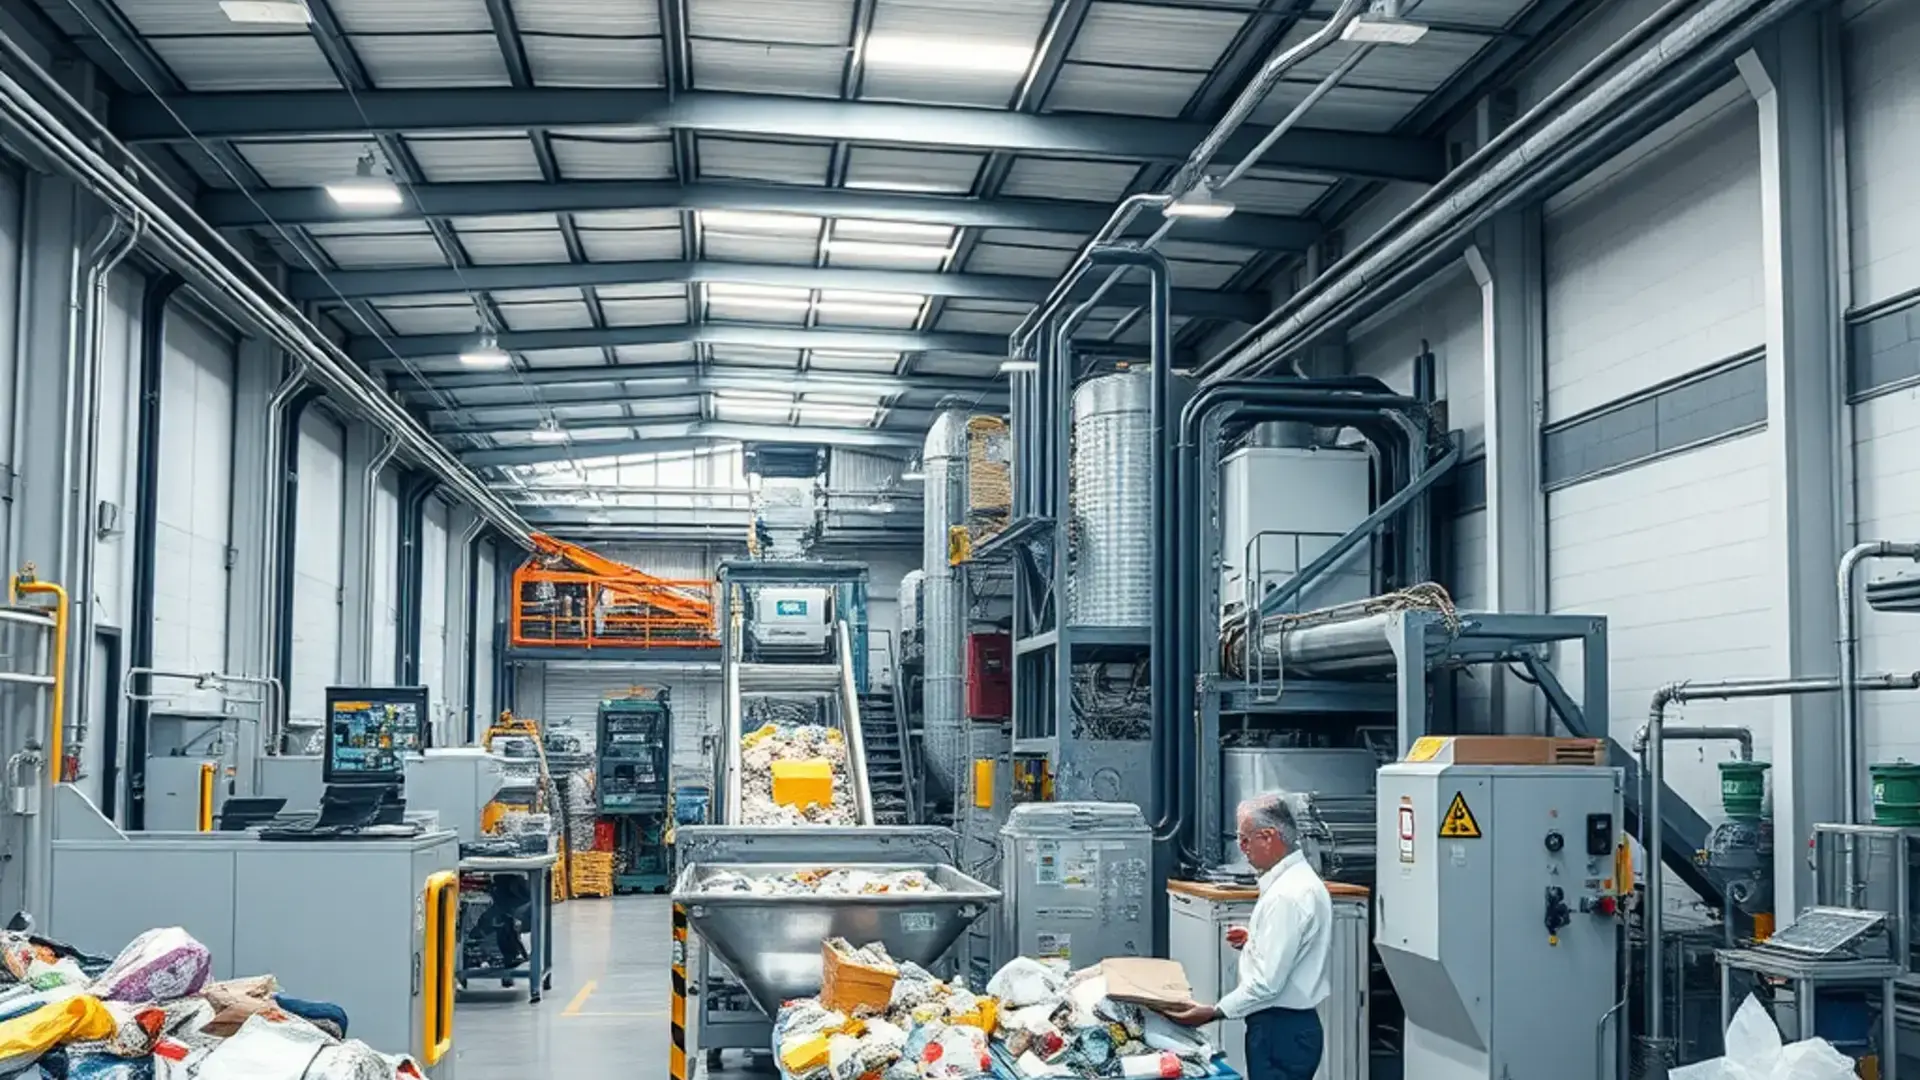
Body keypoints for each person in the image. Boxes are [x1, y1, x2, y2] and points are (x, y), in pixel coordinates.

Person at [1161, 793, 1332, 1080]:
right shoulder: (1298, 883)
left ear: (1268, 837)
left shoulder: (1287, 896)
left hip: (1280, 1030)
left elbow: (1267, 985)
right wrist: (1255, 942)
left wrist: (1213, 1012)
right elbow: (1294, 950)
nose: (1242, 848)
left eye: (1244, 839)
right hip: (1288, 1028)